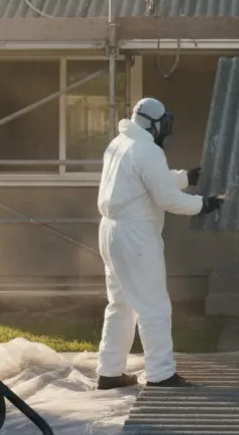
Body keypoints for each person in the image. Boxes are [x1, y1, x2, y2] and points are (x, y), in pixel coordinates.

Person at [95, 97, 224, 390]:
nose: (167, 130)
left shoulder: (120, 143)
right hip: (135, 236)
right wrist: (203, 204)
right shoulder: (147, 150)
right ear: (153, 124)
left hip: (110, 232)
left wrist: (184, 177)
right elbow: (167, 199)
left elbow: (146, 180)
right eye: (164, 124)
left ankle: (110, 372)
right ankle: (161, 374)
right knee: (153, 305)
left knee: (121, 304)